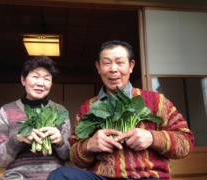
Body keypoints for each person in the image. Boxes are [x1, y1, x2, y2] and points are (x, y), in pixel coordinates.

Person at [47, 40, 194, 180]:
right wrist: (89, 145)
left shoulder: (157, 101)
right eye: (106, 63)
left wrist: (153, 137)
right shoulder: (88, 107)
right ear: (98, 67)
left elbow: (186, 143)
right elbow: (75, 157)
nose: (113, 69)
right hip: (101, 177)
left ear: (131, 66)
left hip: (146, 177)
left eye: (120, 62)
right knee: (60, 175)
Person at [0, 56, 71, 179]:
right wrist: (18, 138)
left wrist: (59, 141)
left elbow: (67, 156)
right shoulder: (6, 111)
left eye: (46, 79)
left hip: (54, 177)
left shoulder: (60, 111)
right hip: (16, 177)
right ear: (23, 80)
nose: (40, 83)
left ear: (51, 83)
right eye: (35, 77)